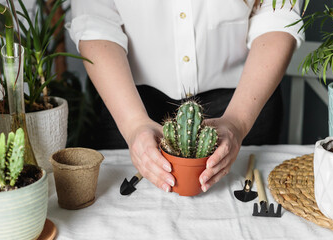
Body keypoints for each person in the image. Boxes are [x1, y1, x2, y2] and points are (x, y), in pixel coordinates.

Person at [68, 0, 304, 193]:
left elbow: (278, 16)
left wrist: (238, 122)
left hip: (245, 100)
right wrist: (133, 124)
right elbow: (96, 21)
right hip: (128, 101)